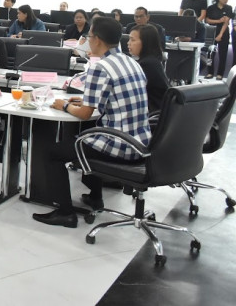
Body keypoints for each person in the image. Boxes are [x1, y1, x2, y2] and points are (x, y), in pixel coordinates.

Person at [34, 17, 150, 228]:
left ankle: (65, 213)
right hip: (141, 143)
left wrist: (64, 105)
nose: (87, 41)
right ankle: (95, 197)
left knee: (53, 152)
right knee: (89, 137)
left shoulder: (101, 67)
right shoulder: (132, 62)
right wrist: (85, 101)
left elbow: (85, 114)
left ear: (97, 39)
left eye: (89, 36)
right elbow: (111, 99)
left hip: (120, 144)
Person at [128, 24, 170, 113]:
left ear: (145, 42)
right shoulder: (153, 61)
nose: (128, 43)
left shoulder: (146, 64)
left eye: (133, 40)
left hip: (152, 113)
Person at [204, 0, 232, 80]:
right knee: (210, 54)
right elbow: (207, 20)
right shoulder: (211, 8)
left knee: (223, 54)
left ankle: (220, 74)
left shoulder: (228, 8)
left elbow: (226, 22)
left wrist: (220, 35)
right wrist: (218, 21)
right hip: (212, 32)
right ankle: (210, 72)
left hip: (223, 32)